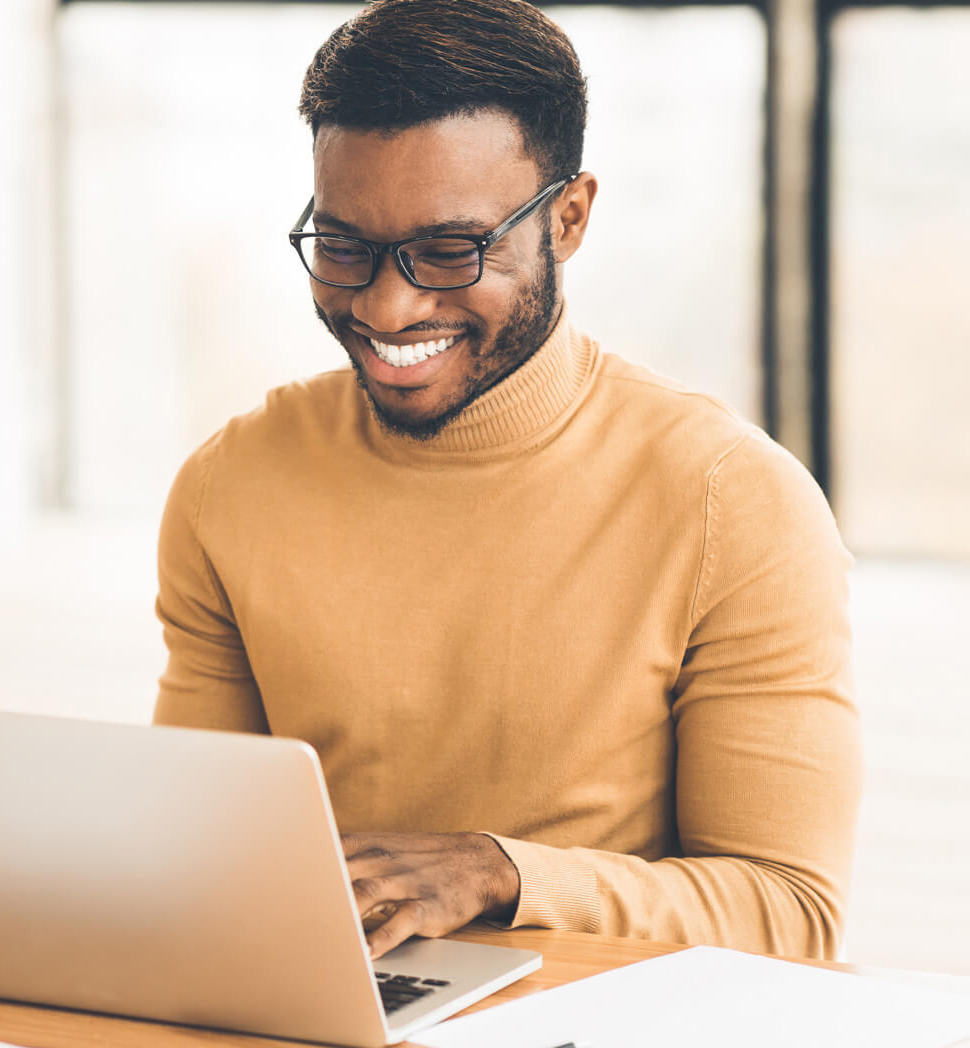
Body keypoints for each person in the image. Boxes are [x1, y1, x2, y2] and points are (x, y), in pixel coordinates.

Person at [152, 0, 860, 962]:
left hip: (607, 1034)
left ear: (568, 219)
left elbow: (792, 912)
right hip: (315, 1014)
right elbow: (191, 844)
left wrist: (503, 873)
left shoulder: (731, 499)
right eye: (346, 246)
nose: (389, 306)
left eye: (450, 250)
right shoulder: (229, 485)